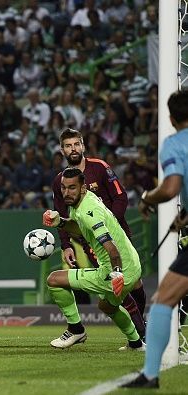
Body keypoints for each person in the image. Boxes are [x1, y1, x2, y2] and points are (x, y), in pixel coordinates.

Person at [121, 90, 188, 389]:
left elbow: (172, 186)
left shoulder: (174, 143)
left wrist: (148, 198)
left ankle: (150, 375)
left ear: (172, 118)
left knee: (163, 299)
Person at [52, 128, 146, 339]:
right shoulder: (61, 181)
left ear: (83, 146)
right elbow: (61, 214)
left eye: (76, 144)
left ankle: (141, 326)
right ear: (62, 150)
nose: (73, 149)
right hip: (92, 244)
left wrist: (108, 224)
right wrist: (66, 244)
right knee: (117, 288)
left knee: (135, 282)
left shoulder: (100, 167)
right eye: (68, 145)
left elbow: (121, 197)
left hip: (118, 233)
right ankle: (140, 334)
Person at [43, 167, 143, 350]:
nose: (66, 192)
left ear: (83, 188)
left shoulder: (89, 211)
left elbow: (111, 248)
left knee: (54, 280)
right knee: (107, 306)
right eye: (63, 188)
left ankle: (75, 329)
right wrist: (61, 222)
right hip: (132, 264)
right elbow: (80, 229)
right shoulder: (81, 203)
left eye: (72, 188)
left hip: (116, 269)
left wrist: (117, 274)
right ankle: (136, 343)